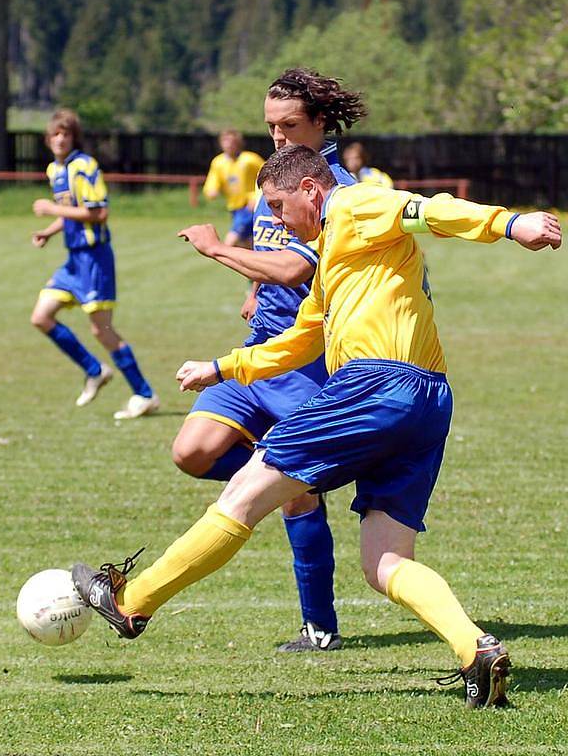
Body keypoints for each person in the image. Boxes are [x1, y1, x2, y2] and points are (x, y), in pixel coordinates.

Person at [73, 145, 562, 708]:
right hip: (429, 400)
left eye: (280, 207)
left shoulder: (353, 204)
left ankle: (131, 602)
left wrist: (512, 223)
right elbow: (304, 338)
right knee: (385, 563)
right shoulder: (332, 254)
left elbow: (427, 210)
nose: (277, 222)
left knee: (243, 497)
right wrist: (223, 367)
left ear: (311, 188)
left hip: (375, 385)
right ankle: (475, 648)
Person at [171, 69, 364, 652]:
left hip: (303, 361)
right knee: (191, 451)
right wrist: (255, 289)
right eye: (271, 127)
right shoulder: (275, 177)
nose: (277, 137)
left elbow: (295, 268)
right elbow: (270, 248)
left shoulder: (340, 192)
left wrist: (217, 250)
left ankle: (319, 627)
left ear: (321, 124)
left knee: (297, 492)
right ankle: (282, 475)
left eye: (289, 126)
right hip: (257, 350)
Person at [30, 109, 159, 420]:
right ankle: (94, 370)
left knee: (101, 330)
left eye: (66, 134)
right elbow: (71, 211)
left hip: (94, 258)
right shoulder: (55, 170)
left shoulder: (84, 166)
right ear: (48, 140)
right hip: (73, 260)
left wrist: (49, 210)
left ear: (74, 138)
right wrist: (50, 231)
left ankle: (144, 394)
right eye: (55, 134)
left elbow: (98, 212)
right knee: (41, 316)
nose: (60, 139)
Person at [202, 130, 265, 249]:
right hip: (234, 207)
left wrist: (257, 197)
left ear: (238, 143)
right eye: (225, 141)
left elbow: (268, 175)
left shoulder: (250, 159)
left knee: (231, 240)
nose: (229, 144)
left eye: (232, 142)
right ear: (221, 143)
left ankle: (220, 253)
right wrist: (211, 190)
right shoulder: (218, 162)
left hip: (249, 206)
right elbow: (213, 180)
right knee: (247, 243)